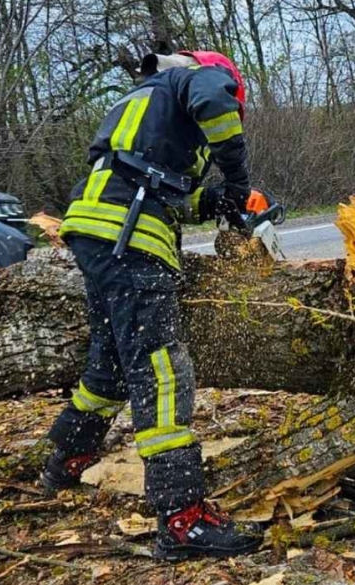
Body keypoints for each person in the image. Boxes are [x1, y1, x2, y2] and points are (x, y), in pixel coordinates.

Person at [39, 50, 261, 561]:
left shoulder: (146, 106)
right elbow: (213, 104)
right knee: (161, 369)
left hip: (96, 230)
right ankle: (182, 519)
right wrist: (237, 178)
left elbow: (163, 190)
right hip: (128, 238)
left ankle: (67, 458)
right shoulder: (200, 78)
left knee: (111, 363)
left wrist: (222, 202)